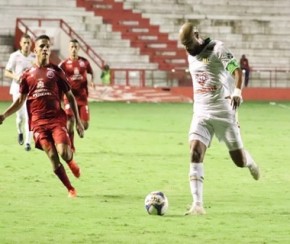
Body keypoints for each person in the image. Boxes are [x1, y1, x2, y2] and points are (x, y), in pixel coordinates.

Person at [178, 22, 260, 215]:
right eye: (185, 46)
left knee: (238, 161)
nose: (188, 49)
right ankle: (197, 205)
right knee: (195, 152)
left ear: (197, 35)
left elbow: (236, 70)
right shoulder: (190, 53)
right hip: (201, 112)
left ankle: (250, 162)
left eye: (190, 43)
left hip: (224, 111)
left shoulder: (217, 49)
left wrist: (237, 91)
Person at [0, 35, 84, 198]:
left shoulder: (56, 71)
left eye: (47, 46)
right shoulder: (27, 75)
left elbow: (71, 97)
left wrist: (78, 122)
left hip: (56, 120)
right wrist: (4, 115)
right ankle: (70, 188)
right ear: (35, 50)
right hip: (38, 124)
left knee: (63, 152)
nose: (45, 49)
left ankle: (70, 162)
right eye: (42, 46)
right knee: (52, 156)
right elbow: (20, 100)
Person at [59, 39, 94, 152]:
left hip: (83, 98)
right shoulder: (63, 64)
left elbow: (91, 72)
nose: (73, 49)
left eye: (75, 47)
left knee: (86, 125)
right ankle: (71, 146)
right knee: (70, 121)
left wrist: (92, 81)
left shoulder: (85, 62)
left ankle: (79, 124)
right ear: (69, 49)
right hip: (69, 98)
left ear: (78, 48)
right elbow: (57, 76)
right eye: (72, 47)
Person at [4, 34, 35, 151]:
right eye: (25, 43)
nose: (27, 45)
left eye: (28, 43)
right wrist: (15, 76)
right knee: (21, 117)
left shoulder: (34, 57)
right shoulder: (14, 56)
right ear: (21, 44)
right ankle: (19, 131)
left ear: (31, 44)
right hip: (17, 89)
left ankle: (28, 142)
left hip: (31, 91)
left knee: (29, 115)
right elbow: (6, 72)